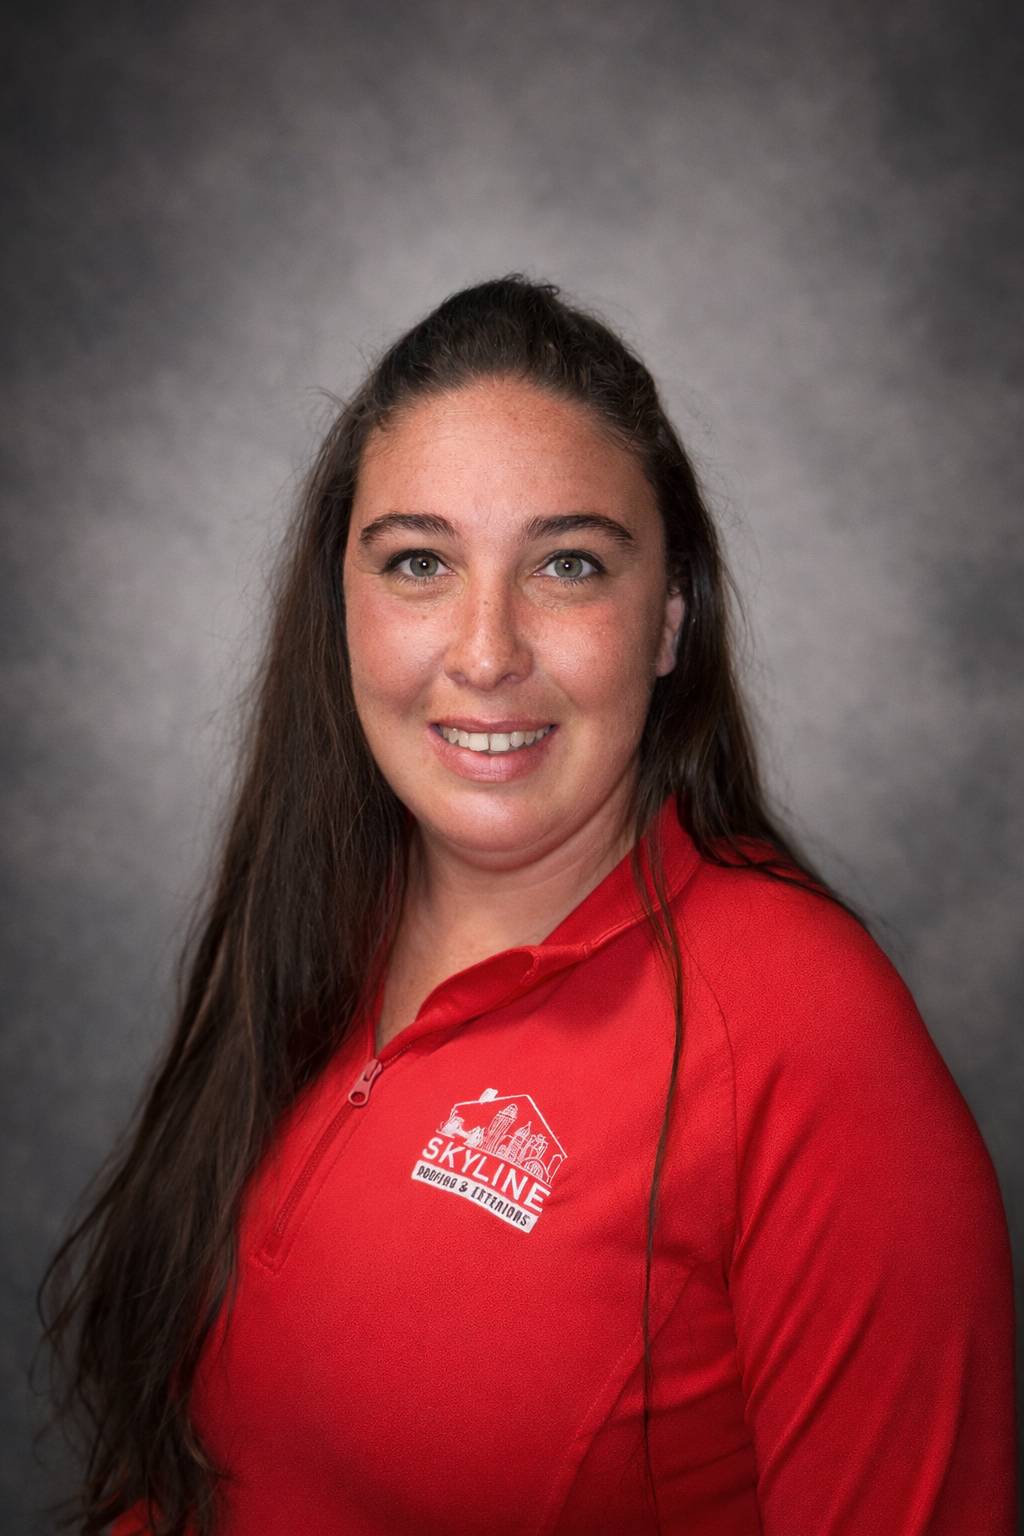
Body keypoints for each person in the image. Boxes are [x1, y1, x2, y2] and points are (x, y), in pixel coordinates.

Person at [44, 278, 1015, 1536]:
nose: (486, 651)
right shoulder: (312, 922)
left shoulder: (808, 1039)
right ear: (340, 607)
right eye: (418, 563)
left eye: (567, 566)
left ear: (668, 619)